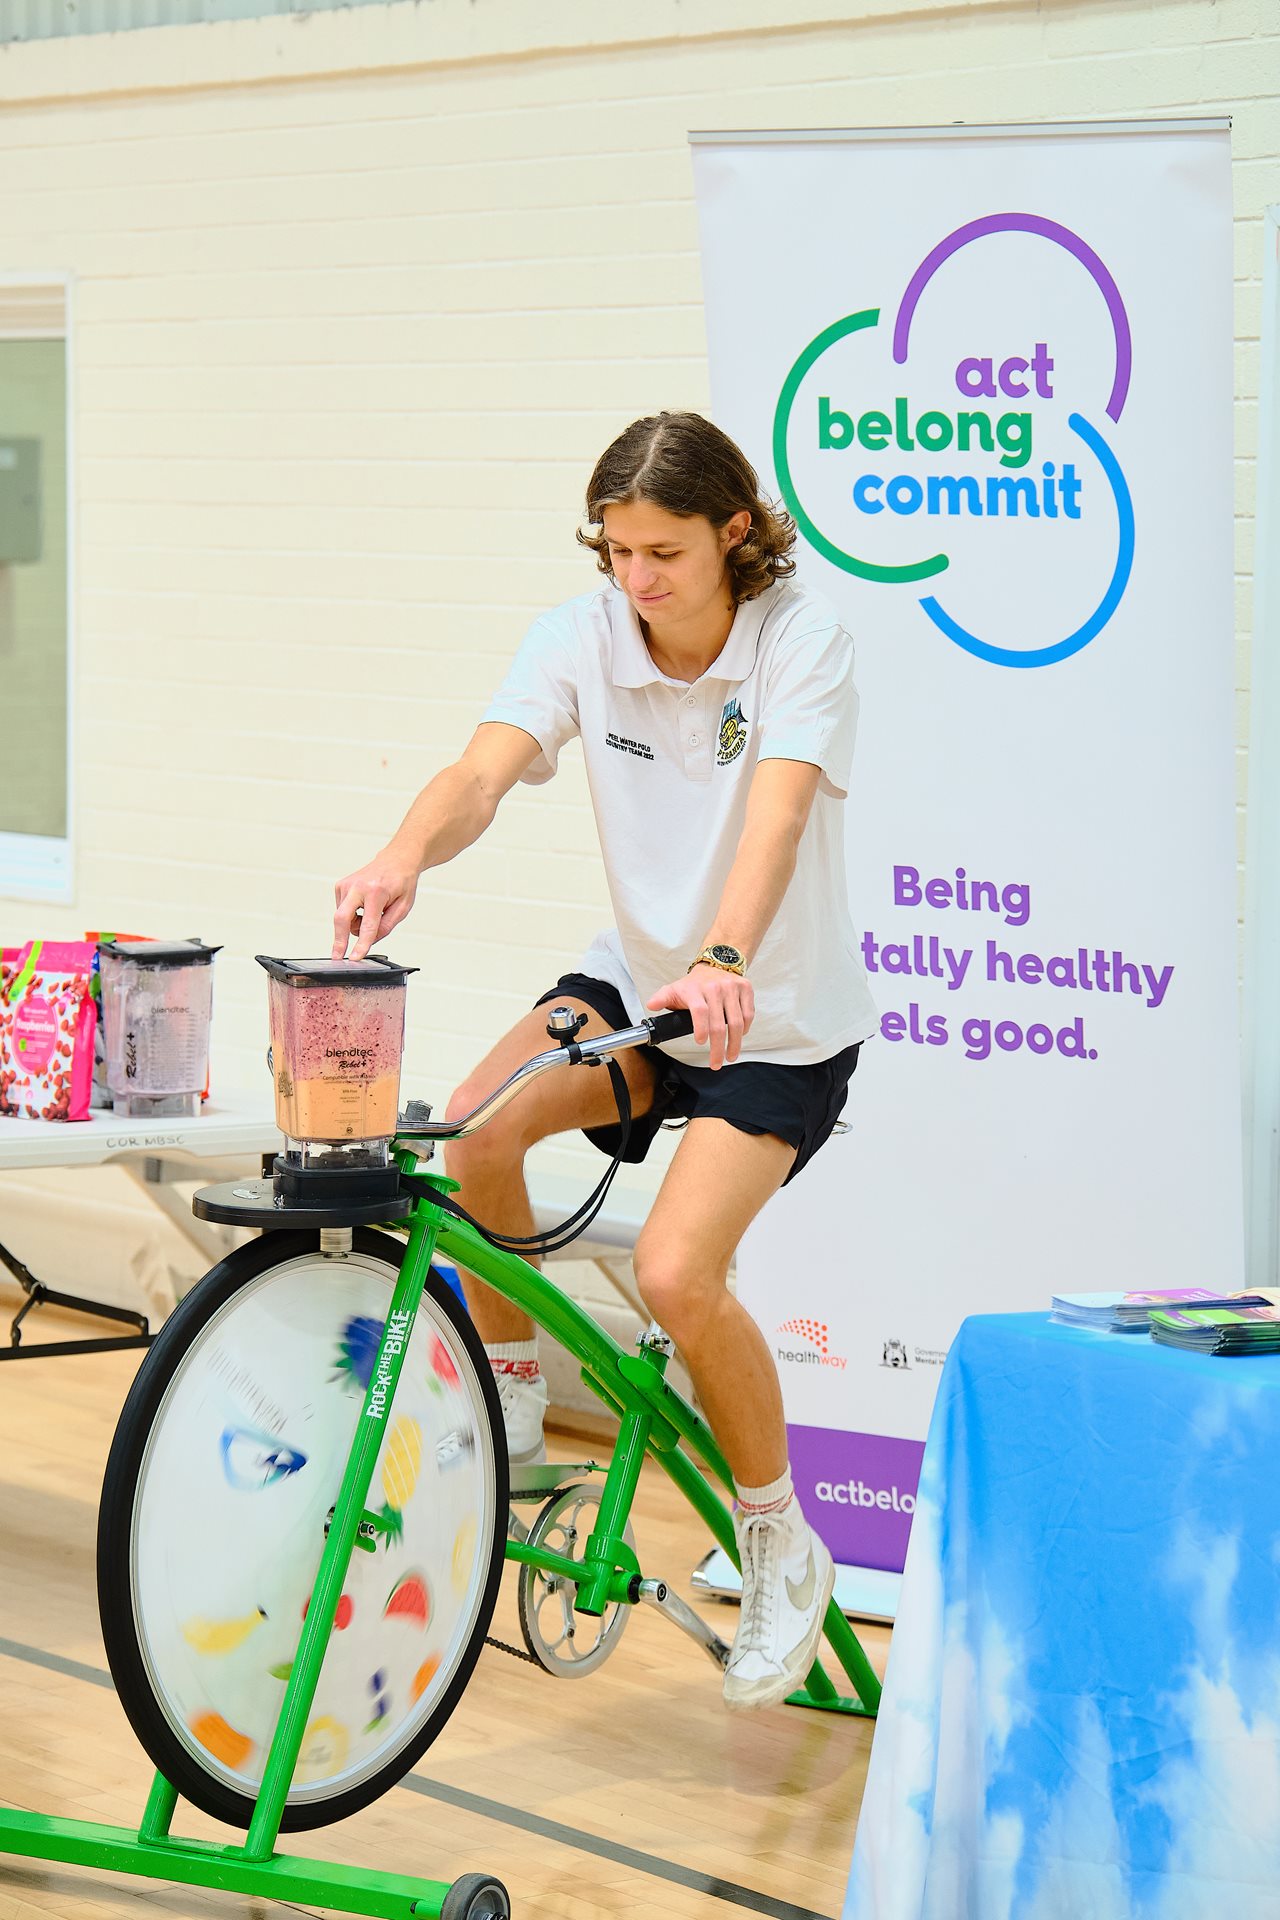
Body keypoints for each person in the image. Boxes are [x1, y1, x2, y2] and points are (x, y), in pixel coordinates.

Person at [331, 411, 879, 1710]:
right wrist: (402, 853)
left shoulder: (803, 640)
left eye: (665, 552)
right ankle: (512, 1402)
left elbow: (780, 815)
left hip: (774, 1018)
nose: (638, 579)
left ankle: (778, 1541)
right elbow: (482, 770)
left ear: (734, 534)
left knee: (681, 1270)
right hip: (644, 988)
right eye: (619, 550)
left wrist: (730, 962)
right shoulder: (585, 634)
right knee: (472, 1130)